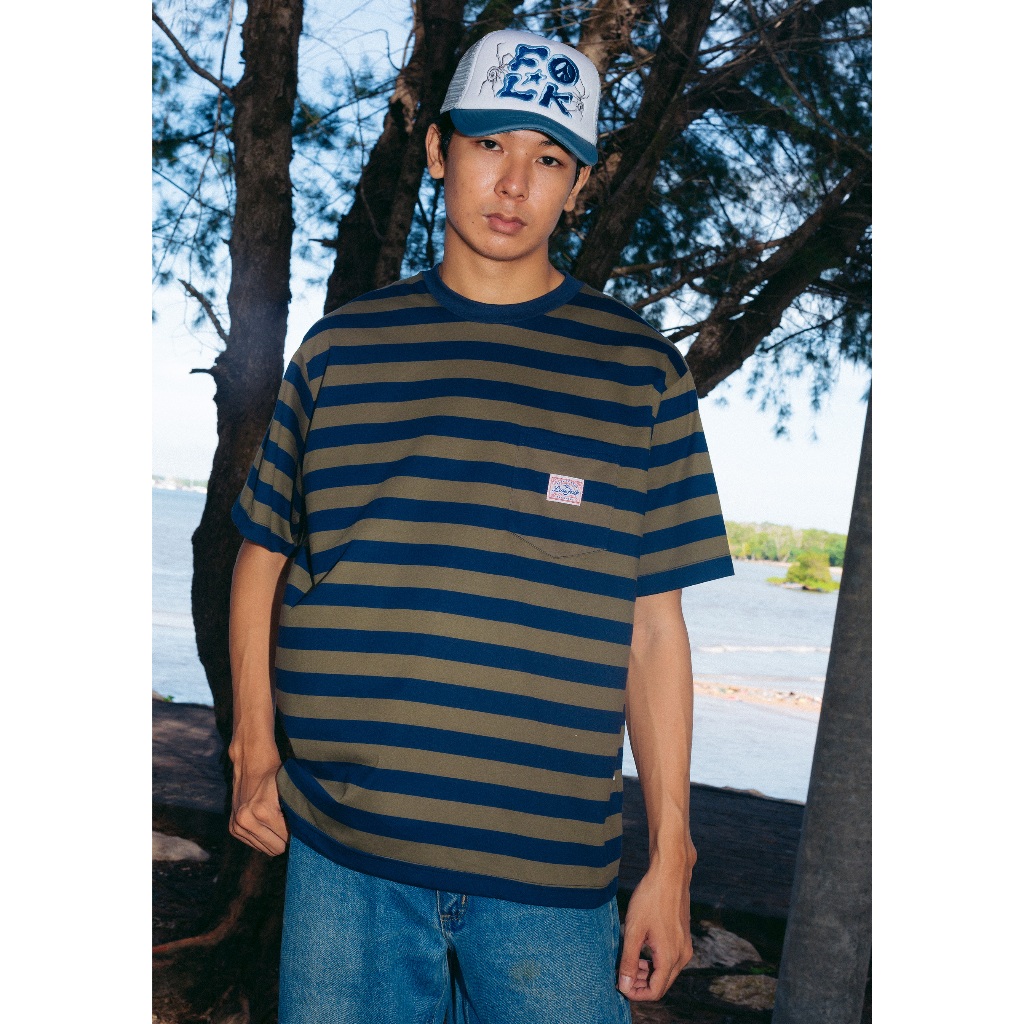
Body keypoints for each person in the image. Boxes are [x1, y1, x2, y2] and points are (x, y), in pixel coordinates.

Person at [227, 28, 734, 1024]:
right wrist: (253, 747)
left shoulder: (640, 374)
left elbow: (652, 627)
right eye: (489, 143)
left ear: (578, 185)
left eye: (548, 159)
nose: (512, 183)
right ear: (437, 150)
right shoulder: (340, 351)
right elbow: (263, 555)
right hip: (345, 851)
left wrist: (671, 856)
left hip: (549, 873)